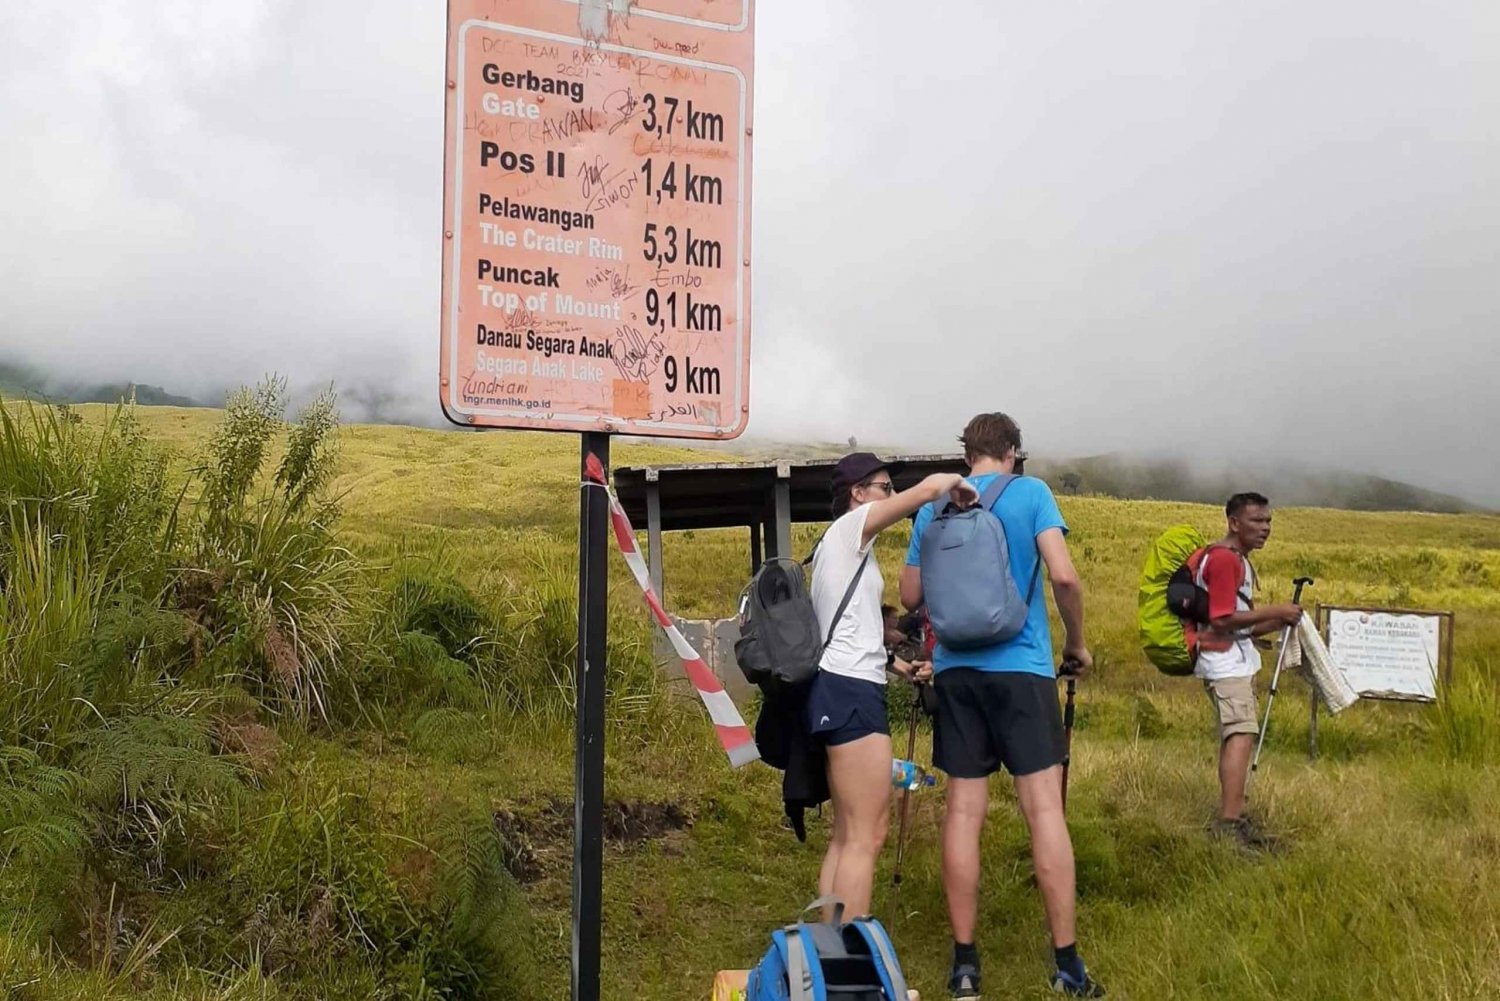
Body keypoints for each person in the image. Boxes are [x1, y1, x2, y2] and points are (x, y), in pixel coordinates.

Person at [899, 413, 1104, 999]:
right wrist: (1076, 644)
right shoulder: (1031, 493)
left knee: (964, 813)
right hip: (1024, 669)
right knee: (1043, 812)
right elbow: (1064, 578)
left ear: (968, 453)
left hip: (957, 672)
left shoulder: (933, 506)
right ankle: (1067, 966)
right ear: (1013, 450)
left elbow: (911, 596)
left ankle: (965, 966)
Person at [807, 452, 975, 920]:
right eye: (883, 487)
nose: (890, 496)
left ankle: (831, 948)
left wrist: (897, 666)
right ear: (858, 494)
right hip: (852, 694)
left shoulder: (837, 545)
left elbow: (846, 628)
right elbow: (920, 495)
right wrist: (950, 483)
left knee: (846, 834)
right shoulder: (852, 527)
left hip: (837, 687)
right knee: (868, 835)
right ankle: (851, 958)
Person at [1187, 492, 1302, 847]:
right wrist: (1275, 612)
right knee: (1241, 734)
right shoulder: (1225, 560)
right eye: (1256, 521)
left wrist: (1277, 622)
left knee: (1238, 734)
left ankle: (1233, 814)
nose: (1265, 528)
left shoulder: (1233, 558)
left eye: (1268, 521)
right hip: (1224, 662)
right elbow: (1221, 618)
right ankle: (1230, 824)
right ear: (1234, 523)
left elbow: (1235, 622)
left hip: (1228, 657)